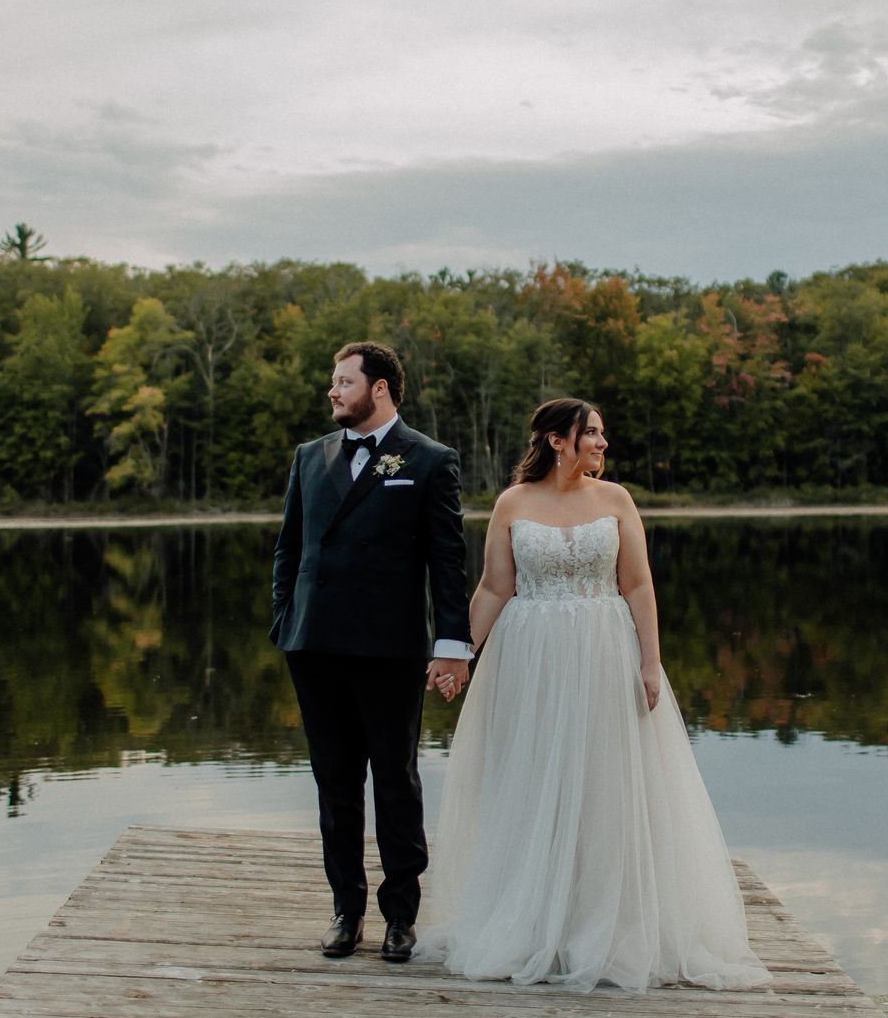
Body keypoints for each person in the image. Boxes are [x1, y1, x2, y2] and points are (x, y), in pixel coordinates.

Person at [417, 397, 771, 993]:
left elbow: (637, 583)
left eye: (603, 435)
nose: (602, 444)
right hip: (530, 660)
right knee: (533, 780)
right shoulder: (513, 503)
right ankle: (533, 921)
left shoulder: (616, 501)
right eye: (593, 434)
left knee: (604, 781)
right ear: (558, 440)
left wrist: (651, 662)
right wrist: (457, 655)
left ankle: (602, 924)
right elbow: (494, 587)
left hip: (605, 654)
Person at [270, 341, 473, 964]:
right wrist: (286, 622)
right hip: (315, 646)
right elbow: (289, 550)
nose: (333, 391)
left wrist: (451, 645)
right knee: (334, 783)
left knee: (396, 781)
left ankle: (399, 917)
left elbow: (447, 560)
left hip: (389, 650)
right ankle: (345, 911)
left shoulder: (429, 460)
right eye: (333, 382)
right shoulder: (310, 457)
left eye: (343, 381)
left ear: (379, 388)